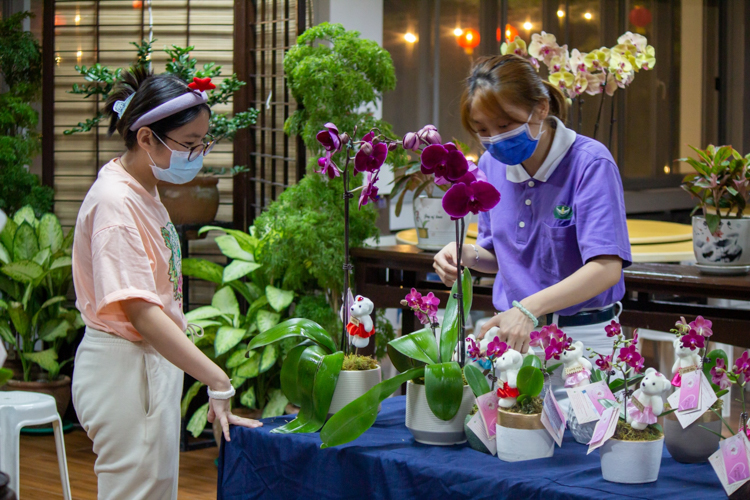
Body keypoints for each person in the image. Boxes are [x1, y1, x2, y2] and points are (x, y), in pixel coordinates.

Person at [71, 68, 261, 500]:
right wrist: (217, 378)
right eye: (189, 144)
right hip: (123, 369)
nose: (197, 155)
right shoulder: (116, 203)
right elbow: (141, 312)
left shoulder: (142, 188)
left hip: (143, 363)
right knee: (135, 491)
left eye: (202, 143)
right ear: (145, 139)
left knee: (152, 489)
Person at [433, 54, 631, 409]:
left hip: (582, 341)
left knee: (581, 454)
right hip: (514, 343)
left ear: (540, 109)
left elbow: (606, 268)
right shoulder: (492, 166)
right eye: (482, 130)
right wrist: (465, 254)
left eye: (505, 124)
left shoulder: (589, 163)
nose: (494, 139)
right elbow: (501, 257)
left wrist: (527, 309)